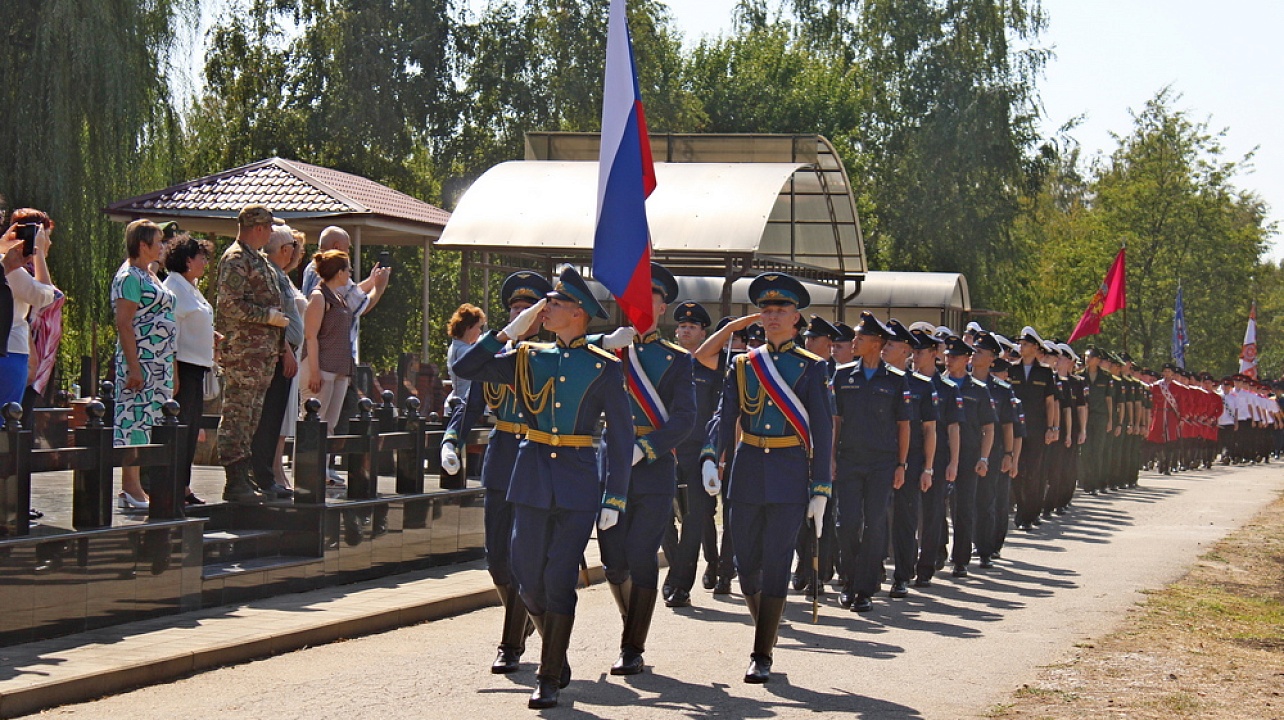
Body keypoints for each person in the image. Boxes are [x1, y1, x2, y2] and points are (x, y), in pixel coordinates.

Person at [453, 265, 633, 709]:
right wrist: (508, 331)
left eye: (554, 303)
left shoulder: (604, 368)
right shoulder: (528, 356)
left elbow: (623, 435)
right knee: (527, 577)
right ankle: (554, 642)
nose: (544, 309)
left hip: (575, 480)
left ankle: (549, 673)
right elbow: (466, 365)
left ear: (579, 313)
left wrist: (615, 495)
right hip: (529, 477)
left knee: (557, 579)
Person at [700, 272, 833, 684]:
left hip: (790, 470)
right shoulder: (743, 364)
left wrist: (821, 487)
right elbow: (727, 417)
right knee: (745, 565)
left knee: (776, 563)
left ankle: (762, 651)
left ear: (797, 318)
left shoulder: (811, 369)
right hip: (748, 469)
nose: (772, 316)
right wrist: (711, 455)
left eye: (782, 309)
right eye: (767, 309)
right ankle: (768, 632)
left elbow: (824, 430)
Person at [441, 271, 552, 675]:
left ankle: (511, 642)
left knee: (524, 559)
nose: (519, 316)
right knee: (497, 563)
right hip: (504, 457)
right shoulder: (496, 361)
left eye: (528, 310)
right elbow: (468, 403)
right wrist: (451, 440)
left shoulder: (553, 357)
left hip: (542, 459)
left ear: (543, 316)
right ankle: (525, 620)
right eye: (514, 310)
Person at [597, 263, 695, 676]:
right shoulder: (603, 352)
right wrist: (601, 341)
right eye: (635, 295)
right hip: (610, 467)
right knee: (612, 560)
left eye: (651, 297)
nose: (642, 303)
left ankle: (632, 646)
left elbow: (685, 418)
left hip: (652, 472)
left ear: (662, 306)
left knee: (640, 557)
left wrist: (648, 447)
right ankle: (631, 621)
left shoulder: (676, 360)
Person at [830, 311, 911, 612]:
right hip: (849, 460)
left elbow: (904, 425)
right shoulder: (842, 375)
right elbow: (836, 420)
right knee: (847, 524)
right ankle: (850, 580)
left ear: (877, 344)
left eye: (860, 338)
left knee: (875, 523)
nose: (854, 342)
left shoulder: (896, 380)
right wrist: (831, 458)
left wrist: (901, 464)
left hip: (882, 462)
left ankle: (864, 589)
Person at [215, 205, 289, 504]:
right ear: (257, 228)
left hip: (261, 356)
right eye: (269, 227)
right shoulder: (235, 259)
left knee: (251, 417)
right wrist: (266, 316)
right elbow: (229, 305)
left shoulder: (257, 259)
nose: (271, 233)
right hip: (243, 355)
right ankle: (234, 479)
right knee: (237, 415)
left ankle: (244, 478)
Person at [112, 219, 177, 510]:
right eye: (158, 241)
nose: (163, 246)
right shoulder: (130, 277)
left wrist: (170, 366)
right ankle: (130, 486)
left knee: (153, 421)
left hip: (159, 362)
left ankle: (143, 483)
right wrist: (134, 367)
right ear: (142, 245)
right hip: (141, 362)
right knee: (135, 420)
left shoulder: (150, 275)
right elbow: (124, 323)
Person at [663, 300, 723, 607]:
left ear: (703, 333)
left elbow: (719, 414)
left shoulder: (712, 369)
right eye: (682, 327)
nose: (686, 331)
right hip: (662, 450)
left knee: (695, 517)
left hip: (698, 452)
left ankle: (680, 583)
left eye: (692, 327)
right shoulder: (664, 363)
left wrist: (715, 455)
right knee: (661, 517)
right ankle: (676, 568)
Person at [162, 230, 219, 505]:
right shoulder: (173, 287)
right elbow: (170, 332)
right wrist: (173, 373)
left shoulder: (189, 286)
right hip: (182, 367)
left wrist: (212, 335)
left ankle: (182, 486)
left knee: (191, 427)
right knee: (181, 428)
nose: (204, 263)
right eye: (201, 258)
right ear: (187, 260)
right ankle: (172, 486)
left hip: (197, 367)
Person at [249, 224, 304, 499]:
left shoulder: (280, 274)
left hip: (286, 352)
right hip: (279, 354)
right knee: (268, 419)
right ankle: (262, 475)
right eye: (292, 246)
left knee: (274, 418)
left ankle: (267, 475)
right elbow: (275, 315)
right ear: (284, 250)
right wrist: (286, 351)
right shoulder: (270, 274)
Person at [884, 319, 937, 599]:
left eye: (890, 344)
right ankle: (871, 568)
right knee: (875, 517)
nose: (883, 348)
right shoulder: (877, 379)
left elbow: (930, 429)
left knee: (905, 519)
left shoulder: (922, 386)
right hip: (879, 456)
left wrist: (928, 467)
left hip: (912, 461)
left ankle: (902, 574)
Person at [907, 323, 961, 587]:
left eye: (920, 351)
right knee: (904, 511)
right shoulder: (903, 382)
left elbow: (953, 427)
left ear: (933, 353)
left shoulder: (948, 388)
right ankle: (903, 563)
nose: (915, 356)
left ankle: (925, 565)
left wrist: (953, 462)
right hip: (907, 454)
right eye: (912, 351)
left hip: (937, 457)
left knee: (932, 512)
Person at [942, 334, 996, 576]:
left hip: (969, 455)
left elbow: (988, 427)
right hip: (940, 453)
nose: (948, 360)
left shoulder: (979, 390)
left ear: (966, 359)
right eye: (946, 356)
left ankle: (961, 558)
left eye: (954, 356)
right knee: (934, 508)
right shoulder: (937, 385)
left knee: (963, 508)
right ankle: (935, 552)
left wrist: (984, 458)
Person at [301, 250, 355, 466]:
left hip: (339, 369)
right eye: (348, 269)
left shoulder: (340, 298)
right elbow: (310, 335)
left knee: (330, 424)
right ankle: (306, 471)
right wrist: (314, 371)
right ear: (340, 272)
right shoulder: (318, 296)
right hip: (321, 367)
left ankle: (324, 470)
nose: (350, 272)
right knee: (315, 421)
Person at [1, 211, 56, 407]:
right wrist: (38, 253)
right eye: (45, 238)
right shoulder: (11, 268)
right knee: (7, 420)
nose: (48, 244)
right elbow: (44, 296)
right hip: (11, 352)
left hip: (11, 350)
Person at [1007, 326, 1058, 531]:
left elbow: (1050, 402)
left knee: (1034, 471)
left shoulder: (1045, 372)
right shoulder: (1012, 369)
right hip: (1016, 428)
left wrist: (1052, 427)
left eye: (1026, 344)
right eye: (1020, 343)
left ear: (1035, 347)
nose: (1021, 347)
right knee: (1016, 469)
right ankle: (1021, 510)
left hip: (1037, 428)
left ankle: (1031, 512)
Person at [445, 303, 487, 414]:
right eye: (478, 327)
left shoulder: (456, 346)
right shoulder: (464, 351)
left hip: (458, 403)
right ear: (468, 327)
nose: (479, 332)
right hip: (464, 406)